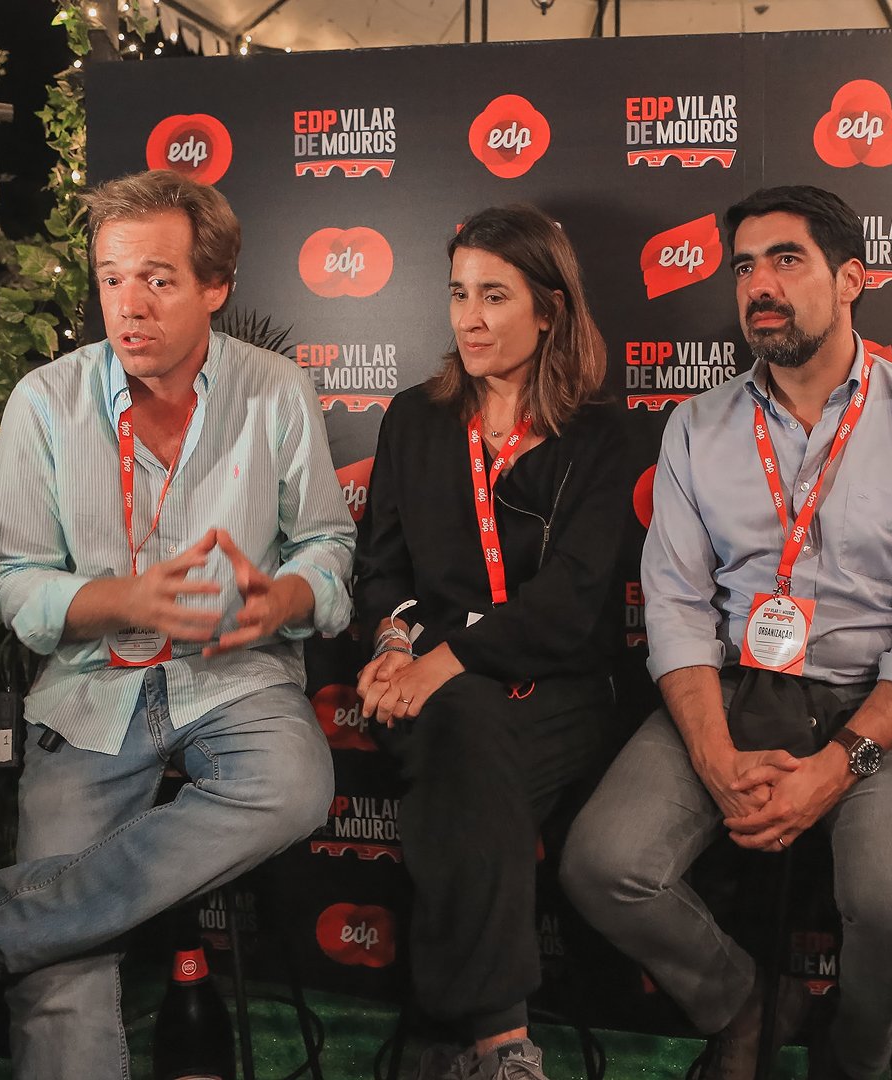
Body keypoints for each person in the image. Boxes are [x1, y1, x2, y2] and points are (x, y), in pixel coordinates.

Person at [0, 169, 355, 1080]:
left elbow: (326, 543)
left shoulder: (276, 390)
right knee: (62, 970)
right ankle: (23, 936)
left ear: (216, 286)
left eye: (159, 280)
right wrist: (122, 600)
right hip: (91, 688)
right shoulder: (43, 401)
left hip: (234, 676)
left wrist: (288, 597)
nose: (128, 305)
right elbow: (12, 579)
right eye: (111, 278)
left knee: (294, 785)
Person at [561, 185, 892, 1080]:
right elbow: (675, 606)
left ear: (851, 279)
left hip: (877, 703)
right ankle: (748, 1003)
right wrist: (714, 756)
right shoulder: (697, 425)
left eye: (787, 260)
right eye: (746, 267)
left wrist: (834, 771)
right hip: (732, 690)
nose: (760, 285)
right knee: (604, 865)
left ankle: (858, 1048)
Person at [353, 204, 632, 1080]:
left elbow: (573, 602)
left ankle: (450, 1031)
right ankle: (503, 1044)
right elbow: (381, 569)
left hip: (562, 691)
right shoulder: (414, 418)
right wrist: (394, 647)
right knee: (467, 733)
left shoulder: (599, 434)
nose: (469, 318)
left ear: (549, 310)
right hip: (437, 693)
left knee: (464, 757)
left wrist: (441, 662)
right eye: (458, 294)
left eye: (494, 296)